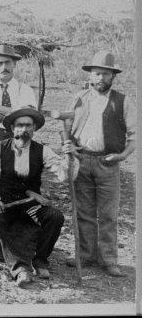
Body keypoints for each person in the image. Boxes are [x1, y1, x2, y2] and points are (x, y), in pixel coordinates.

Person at [0, 108, 74, 287]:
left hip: (29, 203)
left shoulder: (42, 151)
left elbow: (64, 175)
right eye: (20, 125)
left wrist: (69, 158)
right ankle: (20, 268)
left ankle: (40, 260)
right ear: (12, 128)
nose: (24, 129)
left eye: (28, 125)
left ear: (34, 128)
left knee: (55, 216)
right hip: (5, 202)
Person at [61, 51, 136, 278]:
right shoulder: (78, 98)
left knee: (108, 214)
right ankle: (86, 255)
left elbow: (135, 135)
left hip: (108, 162)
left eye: (106, 74)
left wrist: (122, 156)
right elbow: (65, 127)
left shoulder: (123, 101)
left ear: (113, 76)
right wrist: (68, 145)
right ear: (90, 75)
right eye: (97, 73)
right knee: (84, 211)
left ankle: (109, 259)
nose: (101, 78)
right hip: (82, 160)